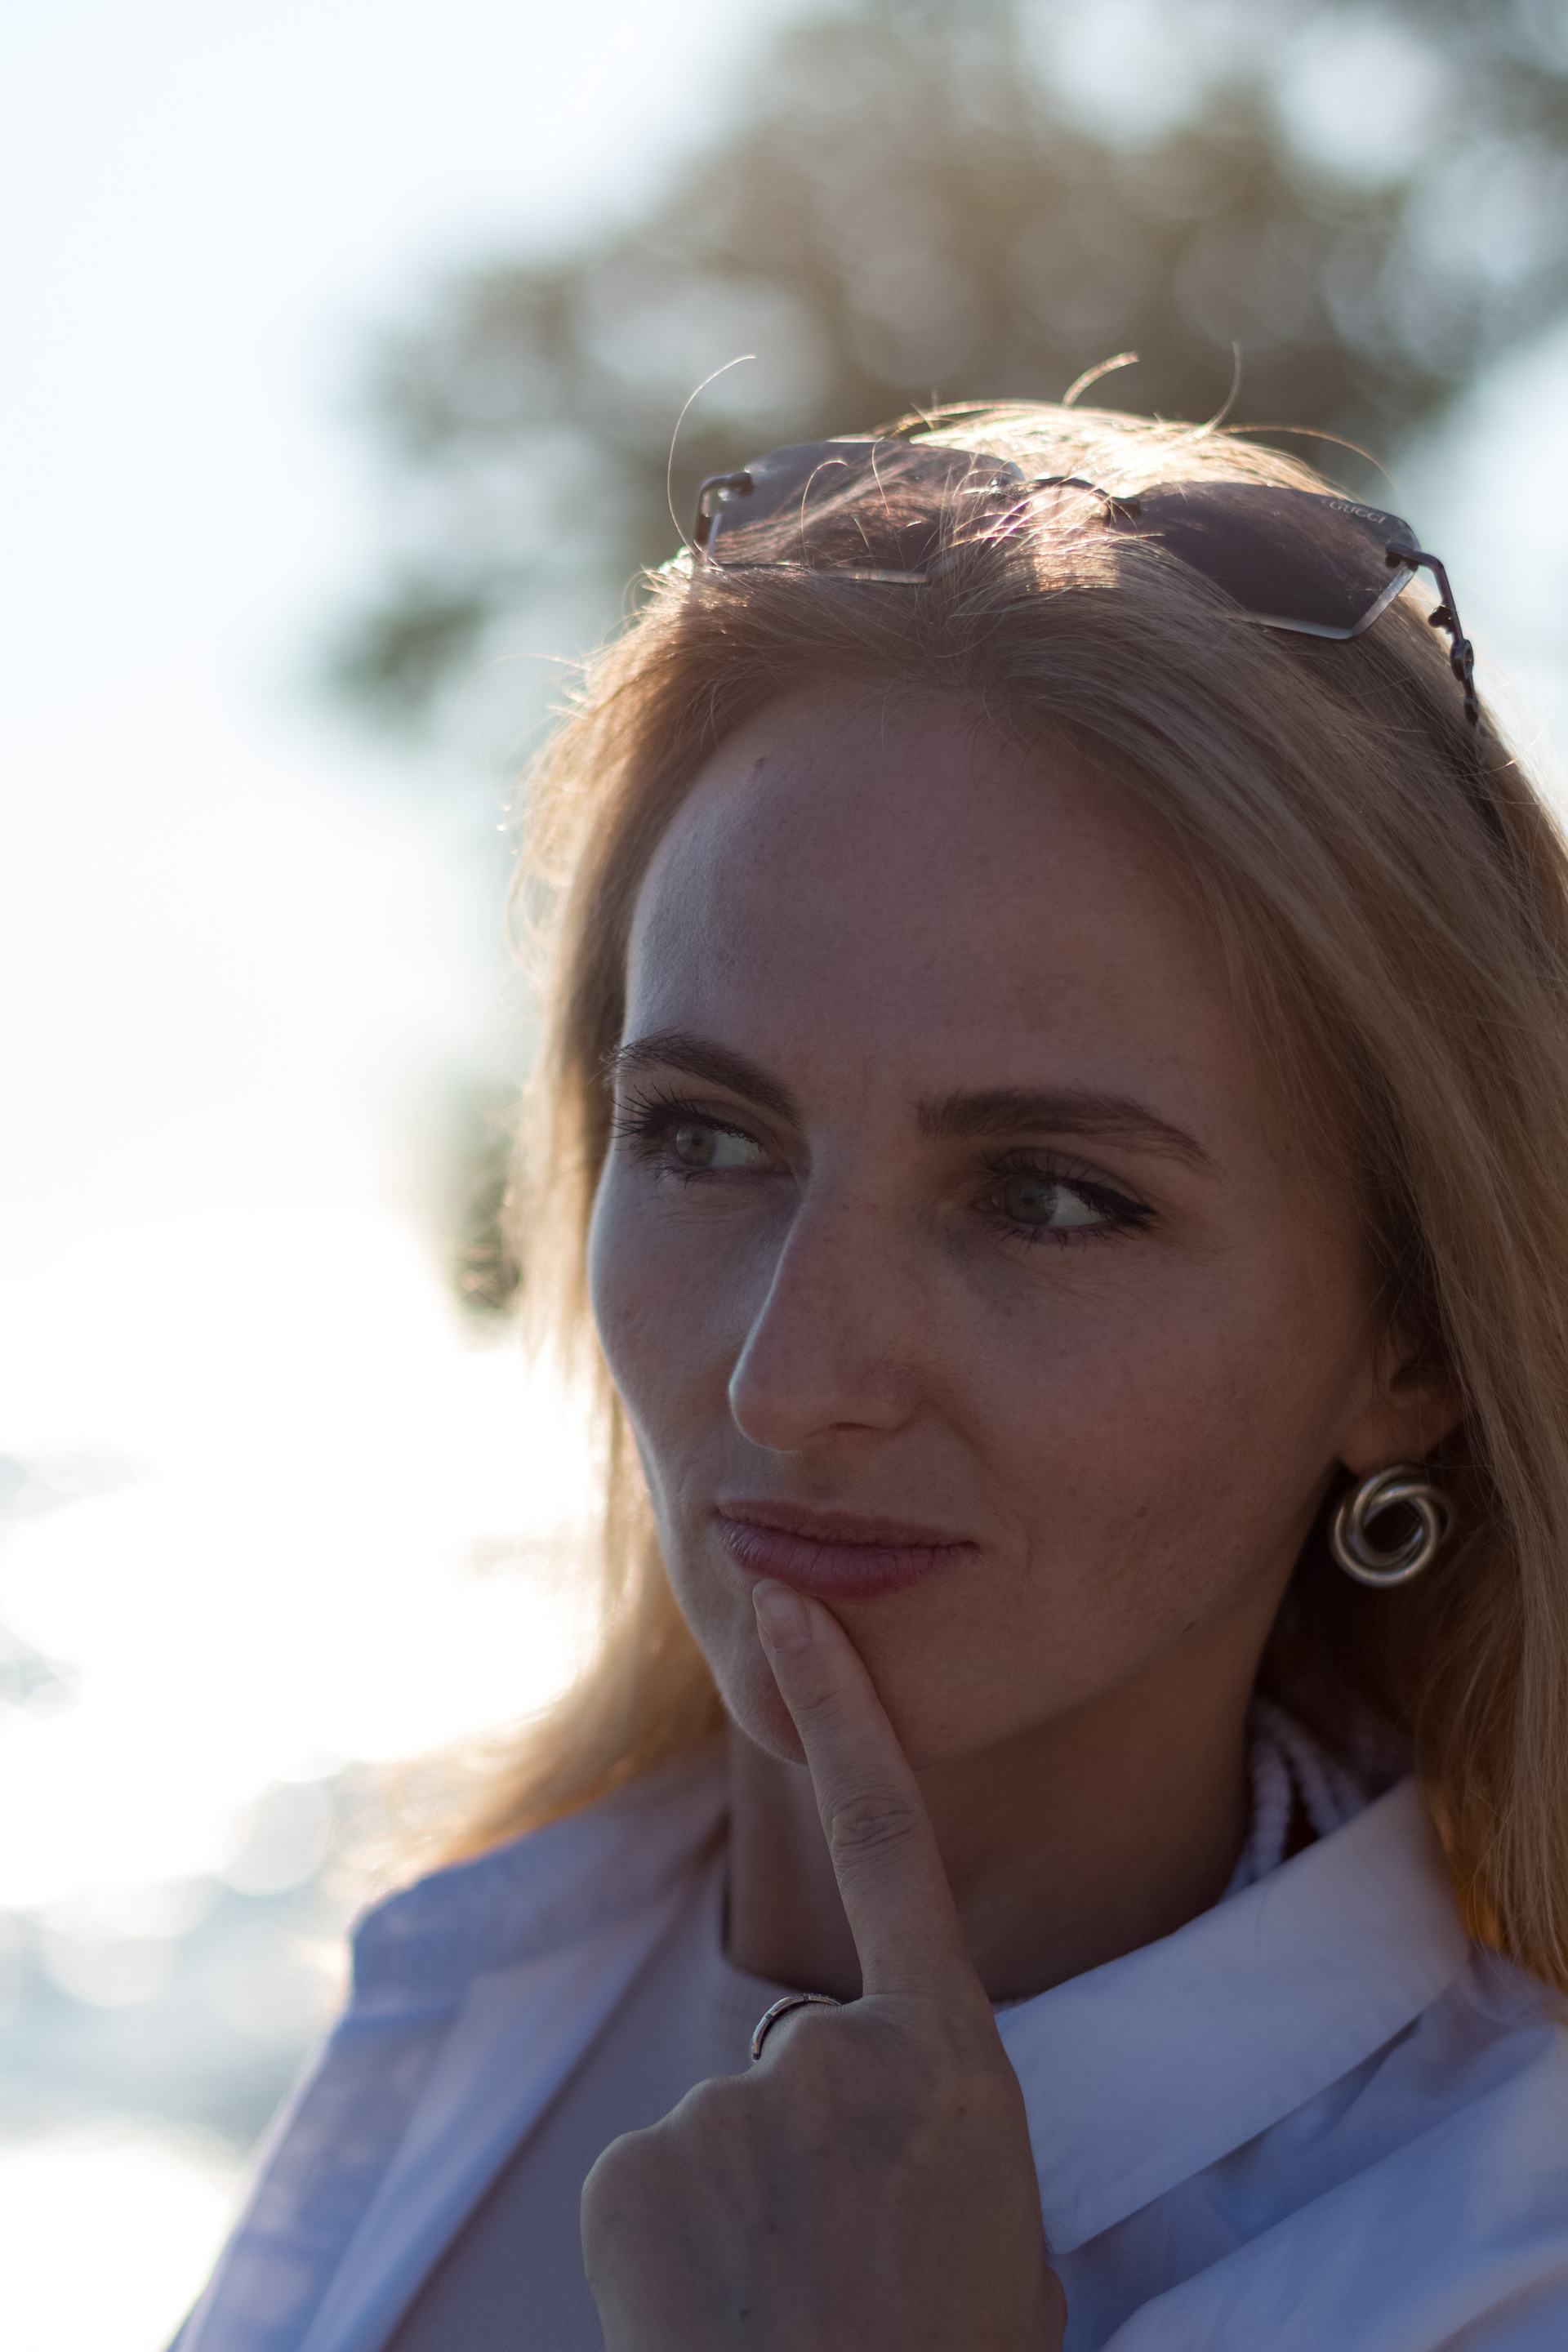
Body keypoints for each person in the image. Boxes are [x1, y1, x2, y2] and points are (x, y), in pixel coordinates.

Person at [175, 406, 1568, 2352]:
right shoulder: (489, 1961)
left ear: (1410, 1348)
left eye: (1049, 1197)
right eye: (705, 1139)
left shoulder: (1496, 2266)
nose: (791, 1377)